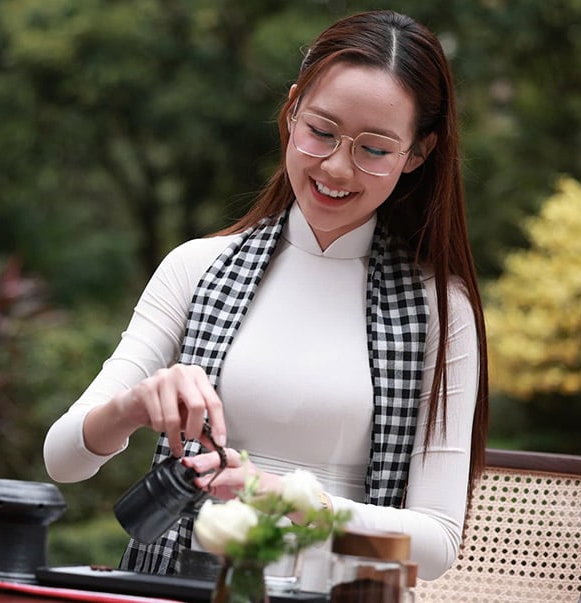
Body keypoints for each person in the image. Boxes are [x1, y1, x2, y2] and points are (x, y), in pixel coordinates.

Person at [44, 9, 488, 591]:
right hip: (176, 589)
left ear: (417, 153)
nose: (335, 166)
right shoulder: (197, 268)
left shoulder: (438, 309)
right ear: (292, 109)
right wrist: (133, 406)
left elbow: (433, 545)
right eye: (321, 132)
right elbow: (64, 459)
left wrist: (280, 496)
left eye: (374, 149)